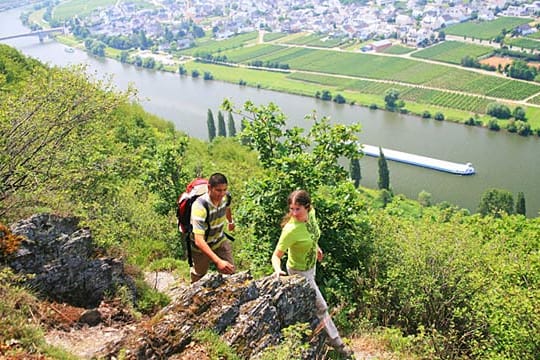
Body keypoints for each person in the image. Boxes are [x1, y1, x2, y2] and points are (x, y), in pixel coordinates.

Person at [271, 190, 353, 358]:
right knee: (322, 306)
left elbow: (312, 234)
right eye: (292, 209)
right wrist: (278, 270)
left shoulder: (312, 215)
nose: (294, 213)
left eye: (298, 209)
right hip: (299, 272)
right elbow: (276, 255)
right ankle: (339, 345)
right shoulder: (290, 229)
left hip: (311, 268)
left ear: (307, 207)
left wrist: (315, 247)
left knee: (310, 305)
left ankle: (315, 335)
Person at [190, 172, 235, 283]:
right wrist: (218, 261)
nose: (222, 193)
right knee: (199, 276)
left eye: (224, 190)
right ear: (209, 188)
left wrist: (230, 221)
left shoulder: (225, 197)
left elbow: (227, 207)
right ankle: (193, 294)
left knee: (230, 272)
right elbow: (199, 241)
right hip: (202, 247)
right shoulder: (200, 207)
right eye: (218, 190)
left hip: (219, 240)